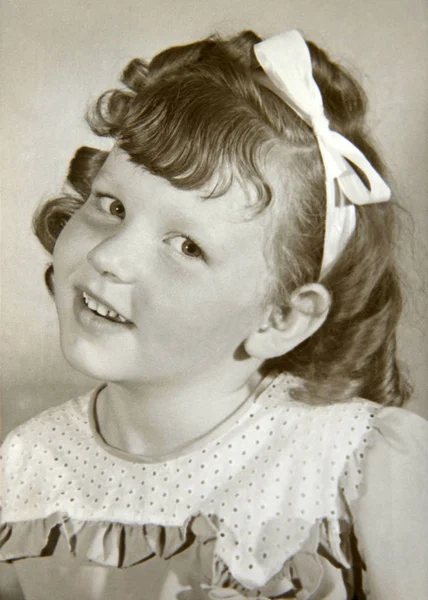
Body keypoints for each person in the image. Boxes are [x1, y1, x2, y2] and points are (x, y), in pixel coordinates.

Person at [1, 29, 427, 600]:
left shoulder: (361, 466)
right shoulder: (24, 469)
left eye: (186, 246)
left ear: (282, 319)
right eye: (112, 206)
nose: (109, 256)